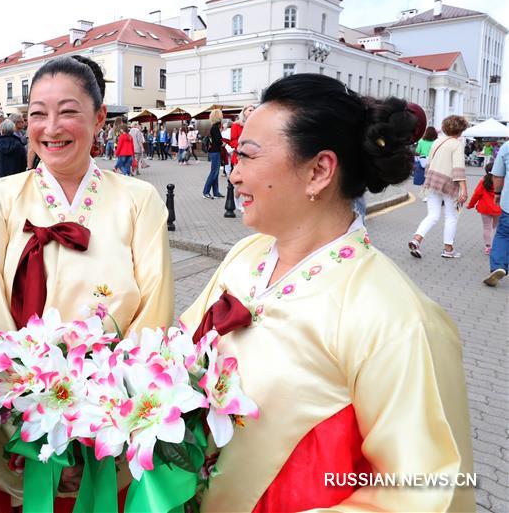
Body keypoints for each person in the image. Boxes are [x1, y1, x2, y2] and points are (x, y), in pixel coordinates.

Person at [180, 73, 474, 512]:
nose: (234, 173)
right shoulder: (246, 255)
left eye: (248, 156)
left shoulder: (395, 318)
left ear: (319, 170)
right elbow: (171, 358)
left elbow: (426, 489)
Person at [0, 55, 173, 511]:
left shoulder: (138, 199)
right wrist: (29, 411)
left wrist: (106, 411)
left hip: (111, 413)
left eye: (68, 111)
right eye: (38, 113)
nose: (51, 127)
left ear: (98, 119)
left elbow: (155, 307)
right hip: (19, 414)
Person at [409, 115, 469, 259]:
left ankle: (416, 239)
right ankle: (448, 249)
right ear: (460, 130)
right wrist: (464, 189)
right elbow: (458, 167)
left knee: (433, 215)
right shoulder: (457, 144)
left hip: (432, 182)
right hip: (449, 184)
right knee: (451, 217)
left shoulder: (437, 141)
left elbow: (429, 163)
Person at [485, 141, 508, 286]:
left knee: (504, 235)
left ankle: (498, 266)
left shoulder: (507, 146)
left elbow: (498, 175)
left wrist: (497, 193)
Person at [466, 162, 501, 256]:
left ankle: (488, 247)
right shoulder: (502, 181)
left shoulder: (483, 181)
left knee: (486, 227)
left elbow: (476, 194)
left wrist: (470, 205)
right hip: (498, 208)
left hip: (485, 208)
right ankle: (497, 245)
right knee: (496, 227)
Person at [202, 109, 224, 198]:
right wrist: (223, 143)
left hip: (214, 151)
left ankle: (216, 192)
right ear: (218, 116)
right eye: (221, 114)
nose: (222, 115)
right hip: (215, 152)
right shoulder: (215, 128)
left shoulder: (215, 127)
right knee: (214, 172)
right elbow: (218, 141)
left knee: (216, 172)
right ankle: (205, 192)